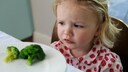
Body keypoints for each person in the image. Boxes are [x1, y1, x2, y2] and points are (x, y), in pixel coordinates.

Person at [51, 0, 123, 72]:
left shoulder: (109, 64)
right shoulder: (53, 51)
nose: (66, 32)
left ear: (98, 29)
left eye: (77, 25)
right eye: (61, 23)